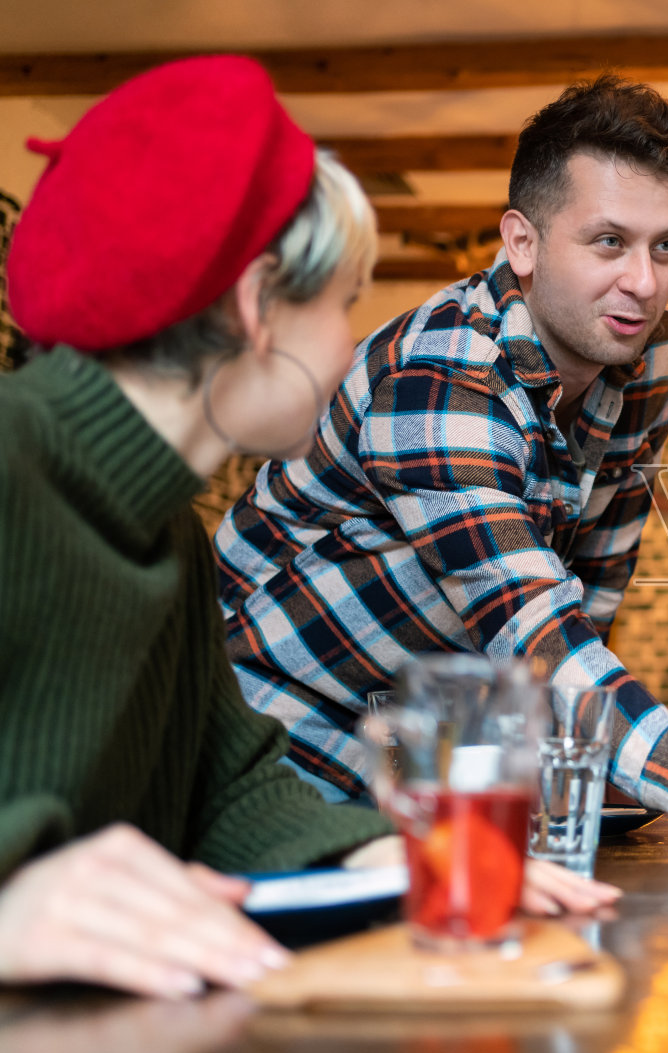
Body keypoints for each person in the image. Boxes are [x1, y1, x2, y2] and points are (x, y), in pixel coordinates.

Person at [0, 57, 614, 1000]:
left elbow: (231, 786)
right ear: (258, 309)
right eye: (341, 302)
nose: (350, 343)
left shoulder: (164, 527)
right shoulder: (14, 463)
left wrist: (406, 864)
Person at [212, 75, 668, 861]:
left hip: (430, 750)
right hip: (274, 741)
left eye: (666, 247)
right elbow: (533, 633)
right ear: (522, 242)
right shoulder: (443, 377)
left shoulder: (649, 357)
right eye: (609, 242)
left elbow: (591, 599)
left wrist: (582, 763)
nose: (645, 283)